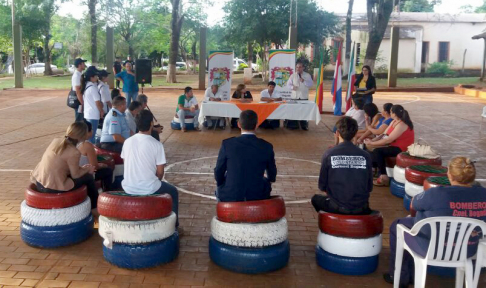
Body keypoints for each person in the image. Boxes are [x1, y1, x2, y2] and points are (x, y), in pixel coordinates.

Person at [384, 157, 486, 287]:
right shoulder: (483, 194)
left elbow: (414, 204)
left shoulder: (436, 193)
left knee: (397, 225)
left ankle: (400, 276)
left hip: (431, 247)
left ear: (449, 174)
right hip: (467, 249)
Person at [121, 110, 179, 226]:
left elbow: (125, 162)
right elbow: (160, 173)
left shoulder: (127, 142)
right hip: (149, 187)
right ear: (151, 124)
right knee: (173, 192)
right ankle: (174, 226)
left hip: (128, 186)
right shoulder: (156, 144)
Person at [311, 117, 373, 215]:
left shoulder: (329, 154)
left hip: (338, 206)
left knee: (315, 199)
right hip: (361, 207)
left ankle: (332, 222)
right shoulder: (365, 155)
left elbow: (322, 186)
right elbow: (369, 187)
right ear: (356, 133)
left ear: (337, 133)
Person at [30, 122, 98, 210]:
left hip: (39, 182)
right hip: (52, 188)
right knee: (89, 178)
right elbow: (75, 175)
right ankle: (95, 208)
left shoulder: (56, 140)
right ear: (83, 136)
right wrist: (87, 169)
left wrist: (83, 168)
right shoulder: (74, 152)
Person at [214, 110, 277, 202]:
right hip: (257, 195)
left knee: (220, 189)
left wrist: (222, 184)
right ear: (256, 125)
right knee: (263, 182)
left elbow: (219, 171)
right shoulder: (266, 146)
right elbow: (272, 175)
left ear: (239, 124)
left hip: (231, 194)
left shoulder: (227, 144)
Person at [365, 105, 414, 186]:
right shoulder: (394, 121)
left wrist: (372, 143)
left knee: (377, 151)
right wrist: (372, 141)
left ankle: (383, 176)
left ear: (394, 114)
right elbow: (384, 134)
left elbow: (388, 139)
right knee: (371, 151)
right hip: (393, 145)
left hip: (401, 148)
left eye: (391, 112)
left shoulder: (402, 124)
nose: (390, 113)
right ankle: (376, 170)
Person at [77, 121, 113, 191]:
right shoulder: (87, 145)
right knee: (108, 171)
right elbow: (94, 166)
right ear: (88, 132)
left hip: (75, 173)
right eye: (92, 129)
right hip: (84, 174)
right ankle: (107, 193)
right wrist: (102, 165)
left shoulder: (73, 142)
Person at [286, 61, 314, 130]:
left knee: (304, 112)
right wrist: (292, 87)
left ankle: (304, 125)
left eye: (300, 67)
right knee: (294, 111)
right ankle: (294, 125)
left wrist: (304, 81)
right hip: (295, 97)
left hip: (303, 97)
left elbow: (310, 84)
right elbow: (288, 85)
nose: (298, 68)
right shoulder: (293, 75)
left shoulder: (307, 75)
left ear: (303, 68)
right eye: (297, 67)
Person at [82, 67, 104, 144]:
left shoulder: (86, 86)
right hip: (93, 115)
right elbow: (97, 102)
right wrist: (101, 111)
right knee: (91, 136)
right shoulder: (93, 88)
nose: (97, 78)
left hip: (88, 114)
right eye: (96, 76)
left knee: (89, 135)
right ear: (92, 77)